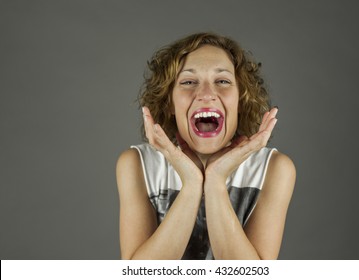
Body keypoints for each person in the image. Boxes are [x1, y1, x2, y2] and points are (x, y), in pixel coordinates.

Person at [116, 32, 296, 260]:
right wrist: (192, 184)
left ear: (240, 100)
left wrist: (216, 181)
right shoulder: (136, 165)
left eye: (222, 81)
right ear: (169, 102)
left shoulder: (275, 169)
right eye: (189, 82)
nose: (207, 94)